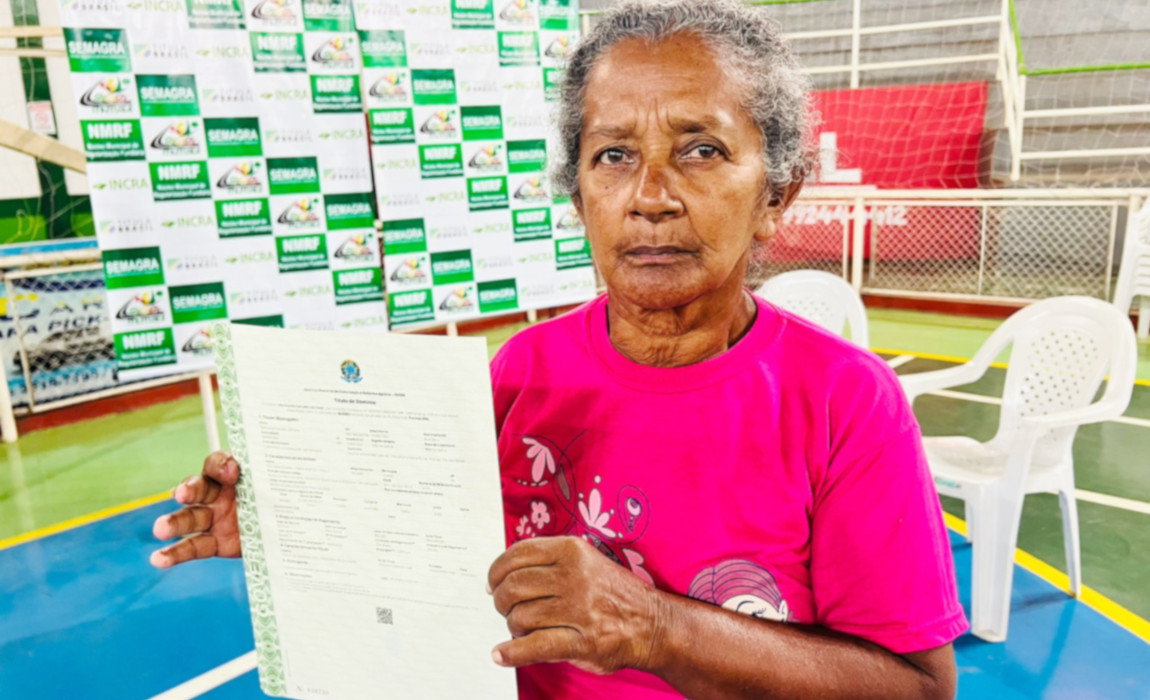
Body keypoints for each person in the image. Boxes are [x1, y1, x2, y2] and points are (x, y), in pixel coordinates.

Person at [151, 1, 968, 697]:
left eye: (702, 150)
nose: (650, 197)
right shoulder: (524, 373)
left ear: (777, 192)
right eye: (613, 156)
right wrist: (300, 522)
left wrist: (656, 628)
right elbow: (444, 568)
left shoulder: (845, 401)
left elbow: (919, 686)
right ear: (578, 195)